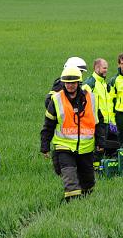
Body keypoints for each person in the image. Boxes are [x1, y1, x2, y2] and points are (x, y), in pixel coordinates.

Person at [41, 66, 105, 201]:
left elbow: (99, 123)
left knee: (88, 185)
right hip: (64, 147)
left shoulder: (91, 99)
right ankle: (72, 204)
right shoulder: (56, 100)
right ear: (63, 83)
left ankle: (85, 205)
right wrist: (45, 145)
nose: (70, 85)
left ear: (78, 83)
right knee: (70, 181)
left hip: (86, 148)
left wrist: (100, 142)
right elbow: (48, 125)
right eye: (67, 83)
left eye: (73, 83)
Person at [83, 58, 118, 156]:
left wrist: (112, 121)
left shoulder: (104, 84)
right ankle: (95, 169)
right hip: (96, 123)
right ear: (96, 68)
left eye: (106, 68)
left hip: (107, 122)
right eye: (104, 68)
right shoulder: (90, 84)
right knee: (97, 149)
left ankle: (103, 169)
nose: (106, 70)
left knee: (106, 148)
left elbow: (109, 104)